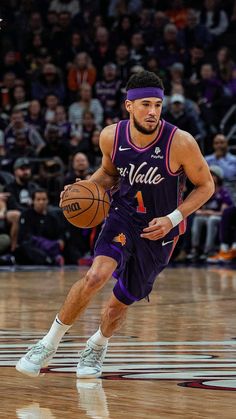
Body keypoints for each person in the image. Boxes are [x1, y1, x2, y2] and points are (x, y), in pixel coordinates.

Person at [16, 71, 214, 379]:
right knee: (96, 275)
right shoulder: (111, 136)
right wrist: (85, 189)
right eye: (145, 104)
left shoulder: (181, 142)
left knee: (118, 304)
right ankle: (47, 343)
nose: (153, 111)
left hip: (161, 231)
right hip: (123, 216)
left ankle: (98, 344)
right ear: (129, 106)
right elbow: (109, 174)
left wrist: (172, 219)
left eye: (157, 105)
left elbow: (206, 186)